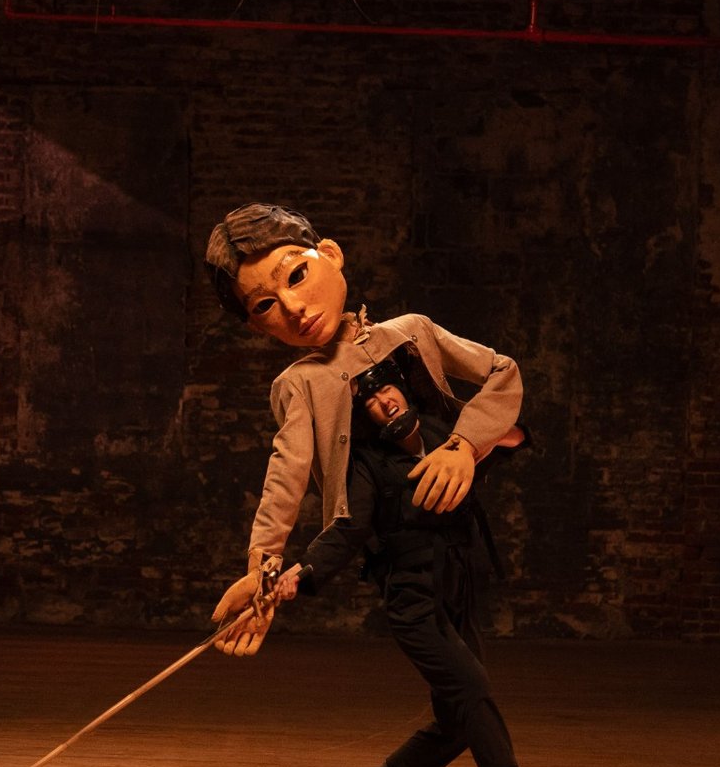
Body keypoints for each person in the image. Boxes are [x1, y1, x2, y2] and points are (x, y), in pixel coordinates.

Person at [205, 202, 523, 657]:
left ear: (330, 254)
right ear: (257, 326)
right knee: (453, 666)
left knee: (465, 658)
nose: (293, 307)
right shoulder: (299, 384)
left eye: (296, 275)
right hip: (396, 545)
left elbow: (502, 370)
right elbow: (287, 473)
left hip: (456, 527)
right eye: (265, 305)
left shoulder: (410, 332)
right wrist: (263, 570)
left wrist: (464, 445)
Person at [272, 353, 545, 767]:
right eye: (370, 400)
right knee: (472, 686)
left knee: (458, 717)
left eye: (386, 389)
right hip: (412, 599)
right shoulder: (368, 463)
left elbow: (507, 435)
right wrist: (303, 570)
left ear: (402, 387)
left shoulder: (448, 437)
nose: (383, 401)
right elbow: (348, 528)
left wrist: (496, 434)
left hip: (457, 587)